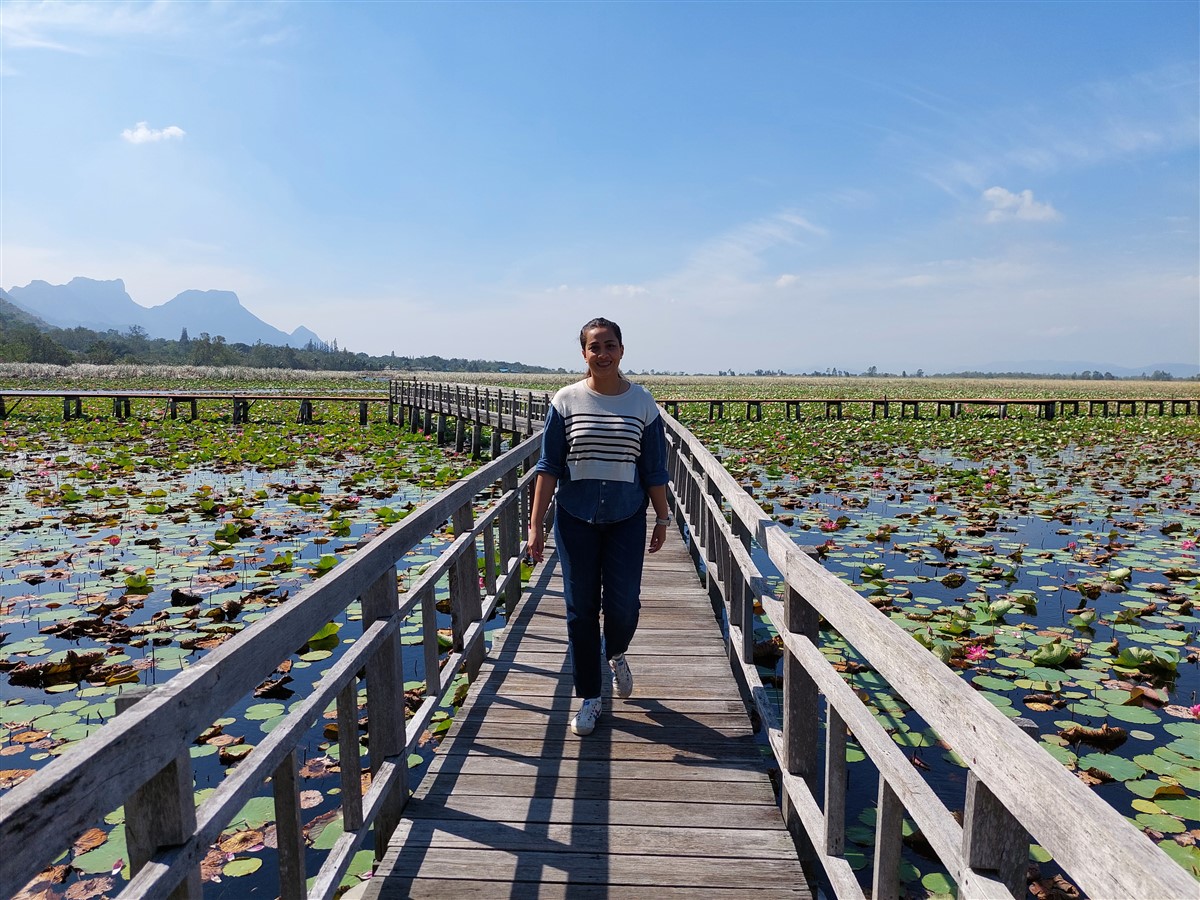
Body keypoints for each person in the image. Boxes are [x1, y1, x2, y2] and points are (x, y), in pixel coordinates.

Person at [527, 317, 672, 736]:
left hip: (627, 517)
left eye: (610, 345)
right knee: (580, 611)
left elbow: (654, 468)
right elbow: (549, 467)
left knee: (624, 604)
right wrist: (536, 525)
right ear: (584, 353)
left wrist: (662, 518)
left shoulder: (643, 403)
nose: (603, 354)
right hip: (575, 520)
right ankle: (591, 696)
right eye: (595, 347)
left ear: (622, 350)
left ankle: (618, 651)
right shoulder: (566, 400)